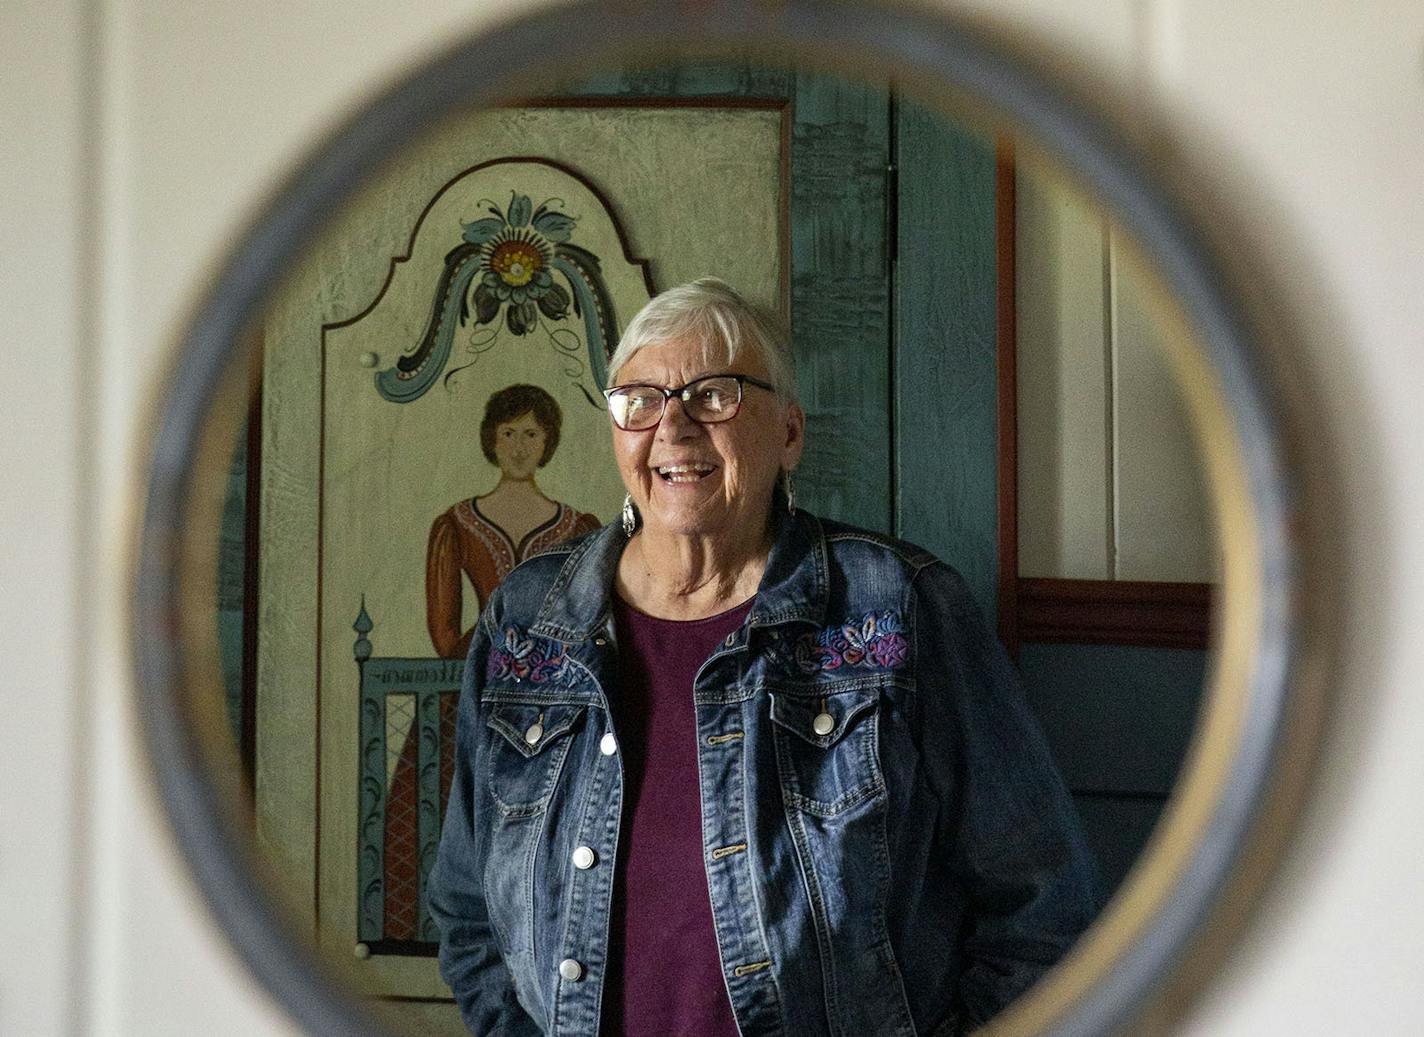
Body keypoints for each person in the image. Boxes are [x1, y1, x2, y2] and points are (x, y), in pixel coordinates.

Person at [429, 278, 1100, 1036]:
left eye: (713, 394)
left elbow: (1042, 904)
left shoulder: (897, 607)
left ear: (789, 432)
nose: (672, 427)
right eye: (640, 399)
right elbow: (468, 908)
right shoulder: (527, 621)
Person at [425, 383, 601, 659]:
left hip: (555, 675)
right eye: (509, 433)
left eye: (531, 434)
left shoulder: (577, 527)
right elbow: (444, 635)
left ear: (547, 441)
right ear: (492, 440)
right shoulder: (456, 525)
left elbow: (590, 618)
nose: (519, 448)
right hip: (479, 667)